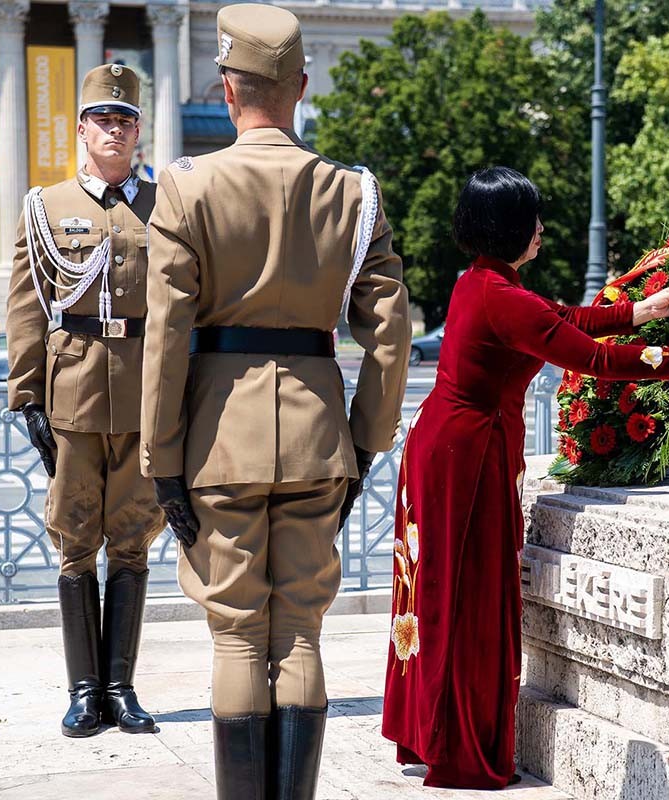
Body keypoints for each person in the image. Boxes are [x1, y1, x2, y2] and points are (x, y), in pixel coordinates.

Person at [380, 167, 669, 789]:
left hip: (449, 447)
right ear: (509, 227)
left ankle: (428, 729)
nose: (541, 229)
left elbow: (556, 318)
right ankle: (459, 746)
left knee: (436, 592)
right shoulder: (502, 296)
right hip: (467, 459)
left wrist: (637, 310)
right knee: (469, 598)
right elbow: (586, 357)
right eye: (532, 219)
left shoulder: (482, 283)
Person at [140, 5, 410, 797]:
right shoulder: (354, 194)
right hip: (322, 438)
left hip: (218, 442)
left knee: (233, 636)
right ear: (300, 87)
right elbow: (388, 334)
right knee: (299, 632)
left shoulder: (187, 186)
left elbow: (164, 340)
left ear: (227, 89)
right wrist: (365, 442)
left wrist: (162, 461)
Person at [5, 64, 165, 738]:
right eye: (103, 117)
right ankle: (83, 690)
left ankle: (122, 689)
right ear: (80, 128)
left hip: (143, 397)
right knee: (76, 542)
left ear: (138, 129)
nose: (114, 127)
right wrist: (28, 395)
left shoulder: (166, 205)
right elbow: (25, 304)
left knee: (131, 542)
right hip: (72, 394)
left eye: (125, 118)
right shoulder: (47, 206)